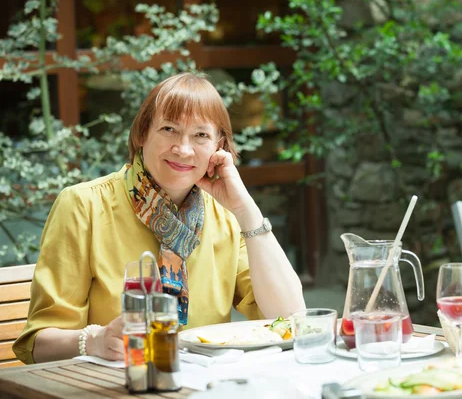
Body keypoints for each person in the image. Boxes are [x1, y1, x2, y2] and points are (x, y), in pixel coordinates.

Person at [13, 73, 306, 364]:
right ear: (142, 133)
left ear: (219, 148)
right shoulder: (83, 206)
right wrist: (95, 340)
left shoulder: (226, 216)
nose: (183, 148)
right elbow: (37, 345)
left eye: (201, 135)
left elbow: (291, 319)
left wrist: (246, 210)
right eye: (169, 129)